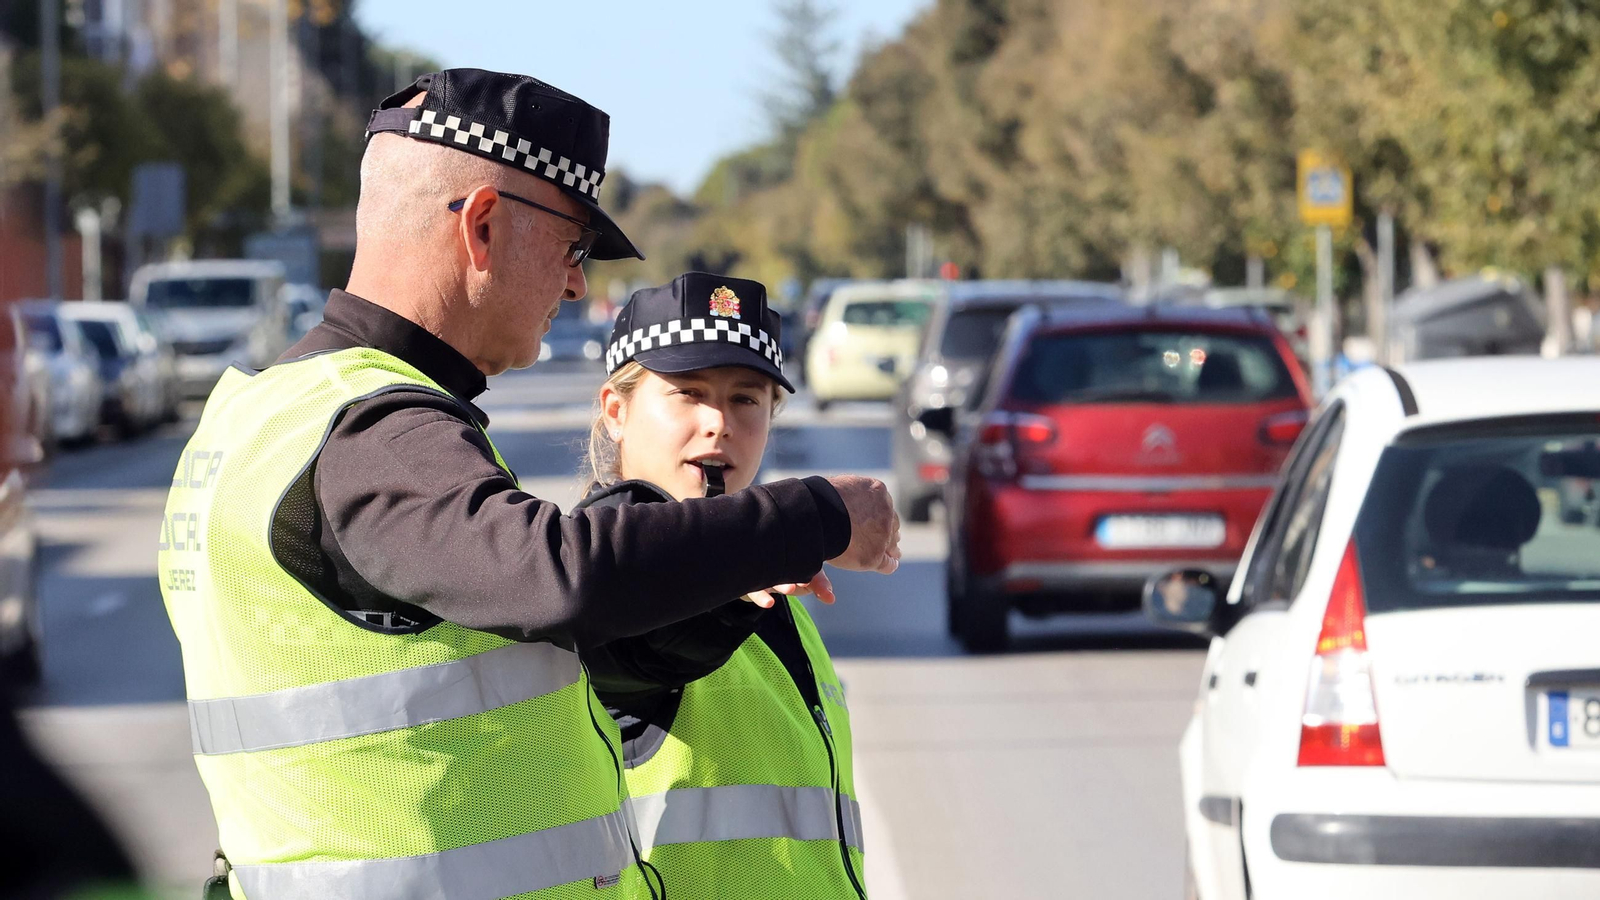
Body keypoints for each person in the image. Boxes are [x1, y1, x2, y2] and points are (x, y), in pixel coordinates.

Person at [157, 68, 900, 900]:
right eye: (572, 246)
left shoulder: (266, 415)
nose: (578, 283)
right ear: (481, 227)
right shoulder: (376, 430)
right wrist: (820, 514)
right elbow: (561, 575)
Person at [576, 273, 868, 898]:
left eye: (746, 399)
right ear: (616, 411)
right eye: (687, 394)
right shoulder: (607, 567)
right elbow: (647, 638)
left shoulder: (770, 574)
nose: (718, 422)